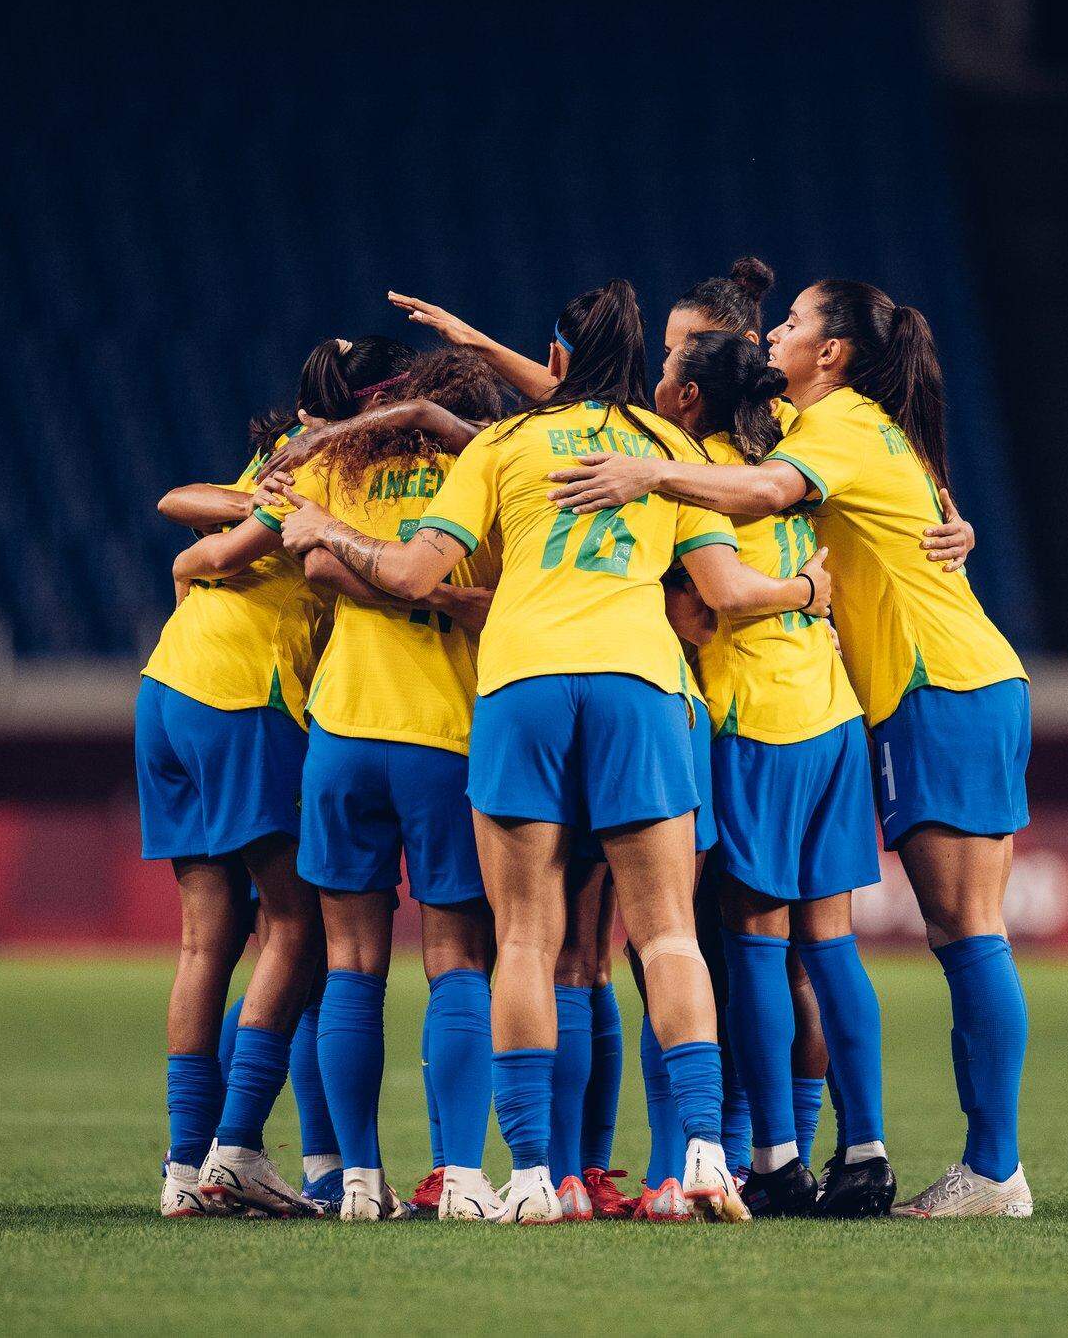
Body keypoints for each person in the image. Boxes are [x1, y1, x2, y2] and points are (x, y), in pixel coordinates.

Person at [271, 280, 830, 1224]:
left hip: (524, 682)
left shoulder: (503, 444)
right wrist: (809, 588)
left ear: (558, 360)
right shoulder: (670, 449)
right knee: (666, 935)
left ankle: (533, 1175)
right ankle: (699, 1153)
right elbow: (715, 591)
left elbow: (412, 572)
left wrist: (325, 525)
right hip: (639, 683)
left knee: (525, 936)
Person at [544, 279, 1036, 1219]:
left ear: (834, 352)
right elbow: (908, 510)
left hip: (920, 687)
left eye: (798, 322)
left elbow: (754, 510)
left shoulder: (823, 435)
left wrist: (649, 474)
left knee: (958, 934)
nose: (777, 332)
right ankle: (883, 1151)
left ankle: (979, 1166)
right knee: (874, 940)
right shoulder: (836, 428)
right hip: (881, 700)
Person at [180, 350, 509, 1222]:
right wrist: (431, 594)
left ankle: (358, 1179)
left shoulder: (341, 466)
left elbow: (313, 561)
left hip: (342, 731)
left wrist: (356, 557)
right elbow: (500, 596)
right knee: (455, 960)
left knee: (354, 966)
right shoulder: (487, 469)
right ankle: (464, 1179)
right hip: (443, 735)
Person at [144, 335, 412, 1218]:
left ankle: (186, 1169)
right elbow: (227, 545)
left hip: (167, 687)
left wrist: (192, 554)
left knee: (205, 940)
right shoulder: (334, 466)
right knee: (298, 928)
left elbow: (183, 506)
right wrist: (204, 554)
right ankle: (238, 1148)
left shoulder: (278, 457)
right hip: (243, 692)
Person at [649, 328, 895, 1217]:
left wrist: (782, 591)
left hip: (759, 723)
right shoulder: (793, 435)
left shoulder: (698, 470)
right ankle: (864, 1151)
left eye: (673, 372)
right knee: (830, 946)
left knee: (755, 941)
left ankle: (779, 1158)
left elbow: (718, 594)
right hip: (834, 715)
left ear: (692, 398)